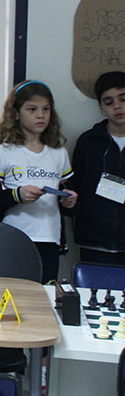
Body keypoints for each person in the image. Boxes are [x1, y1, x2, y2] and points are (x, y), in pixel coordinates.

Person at [0, 80, 77, 284]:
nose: (41, 115)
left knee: (45, 293)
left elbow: (67, 197)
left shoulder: (59, 153)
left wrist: (69, 201)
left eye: (46, 109)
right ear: (16, 113)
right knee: (15, 293)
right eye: (32, 109)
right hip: (14, 239)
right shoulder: (4, 152)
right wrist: (17, 195)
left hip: (49, 240)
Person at [70, 72, 125, 266]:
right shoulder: (88, 142)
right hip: (94, 241)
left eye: (123, 99)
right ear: (101, 108)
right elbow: (75, 185)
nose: (117, 106)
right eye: (109, 102)